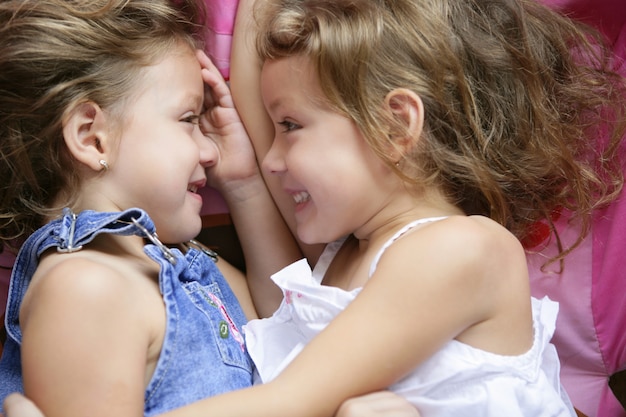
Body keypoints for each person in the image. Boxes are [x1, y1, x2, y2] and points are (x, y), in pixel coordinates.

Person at [99, 0, 624, 416]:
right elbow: (287, 318)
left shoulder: (464, 250)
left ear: (395, 127)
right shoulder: (346, 254)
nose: (272, 160)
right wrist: (242, 182)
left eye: (290, 127)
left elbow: (291, 400)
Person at [0, 1, 421, 417]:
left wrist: (242, 185)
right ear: (92, 137)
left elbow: (289, 320)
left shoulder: (184, 261)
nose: (208, 150)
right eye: (188, 119)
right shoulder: (85, 288)